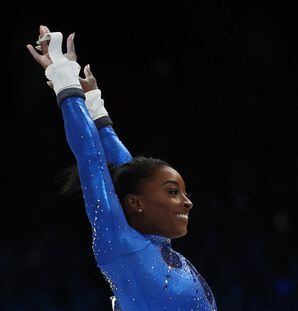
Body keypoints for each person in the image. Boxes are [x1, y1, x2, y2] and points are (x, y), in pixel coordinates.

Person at [27, 25, 217, 311]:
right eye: (173, 192)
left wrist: (95, 106)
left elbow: (128, 174)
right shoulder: (119, 242)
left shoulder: (155, 243)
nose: (187, 202)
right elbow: (90, 158)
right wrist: (63, 78)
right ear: (136, 203)